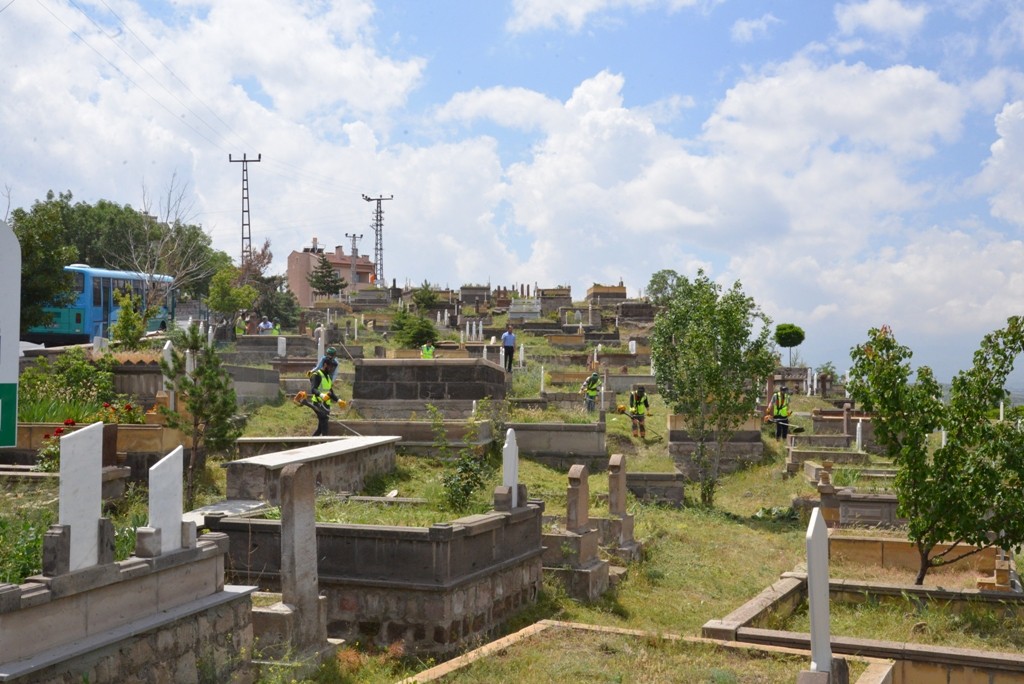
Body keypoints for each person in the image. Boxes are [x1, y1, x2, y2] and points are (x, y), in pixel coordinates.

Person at [307, 355, 339, 436]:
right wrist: (321, 395)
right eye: (331, 367)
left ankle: (310, 443)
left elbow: (330, 392)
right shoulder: (317, 375)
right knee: (324, 425)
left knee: (320, 428)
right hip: (318, 403)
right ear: (325, 365)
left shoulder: (328, 377)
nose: (332, 369)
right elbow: (313, 389)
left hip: (326, 405)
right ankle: (325, 444)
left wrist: (339, 400)